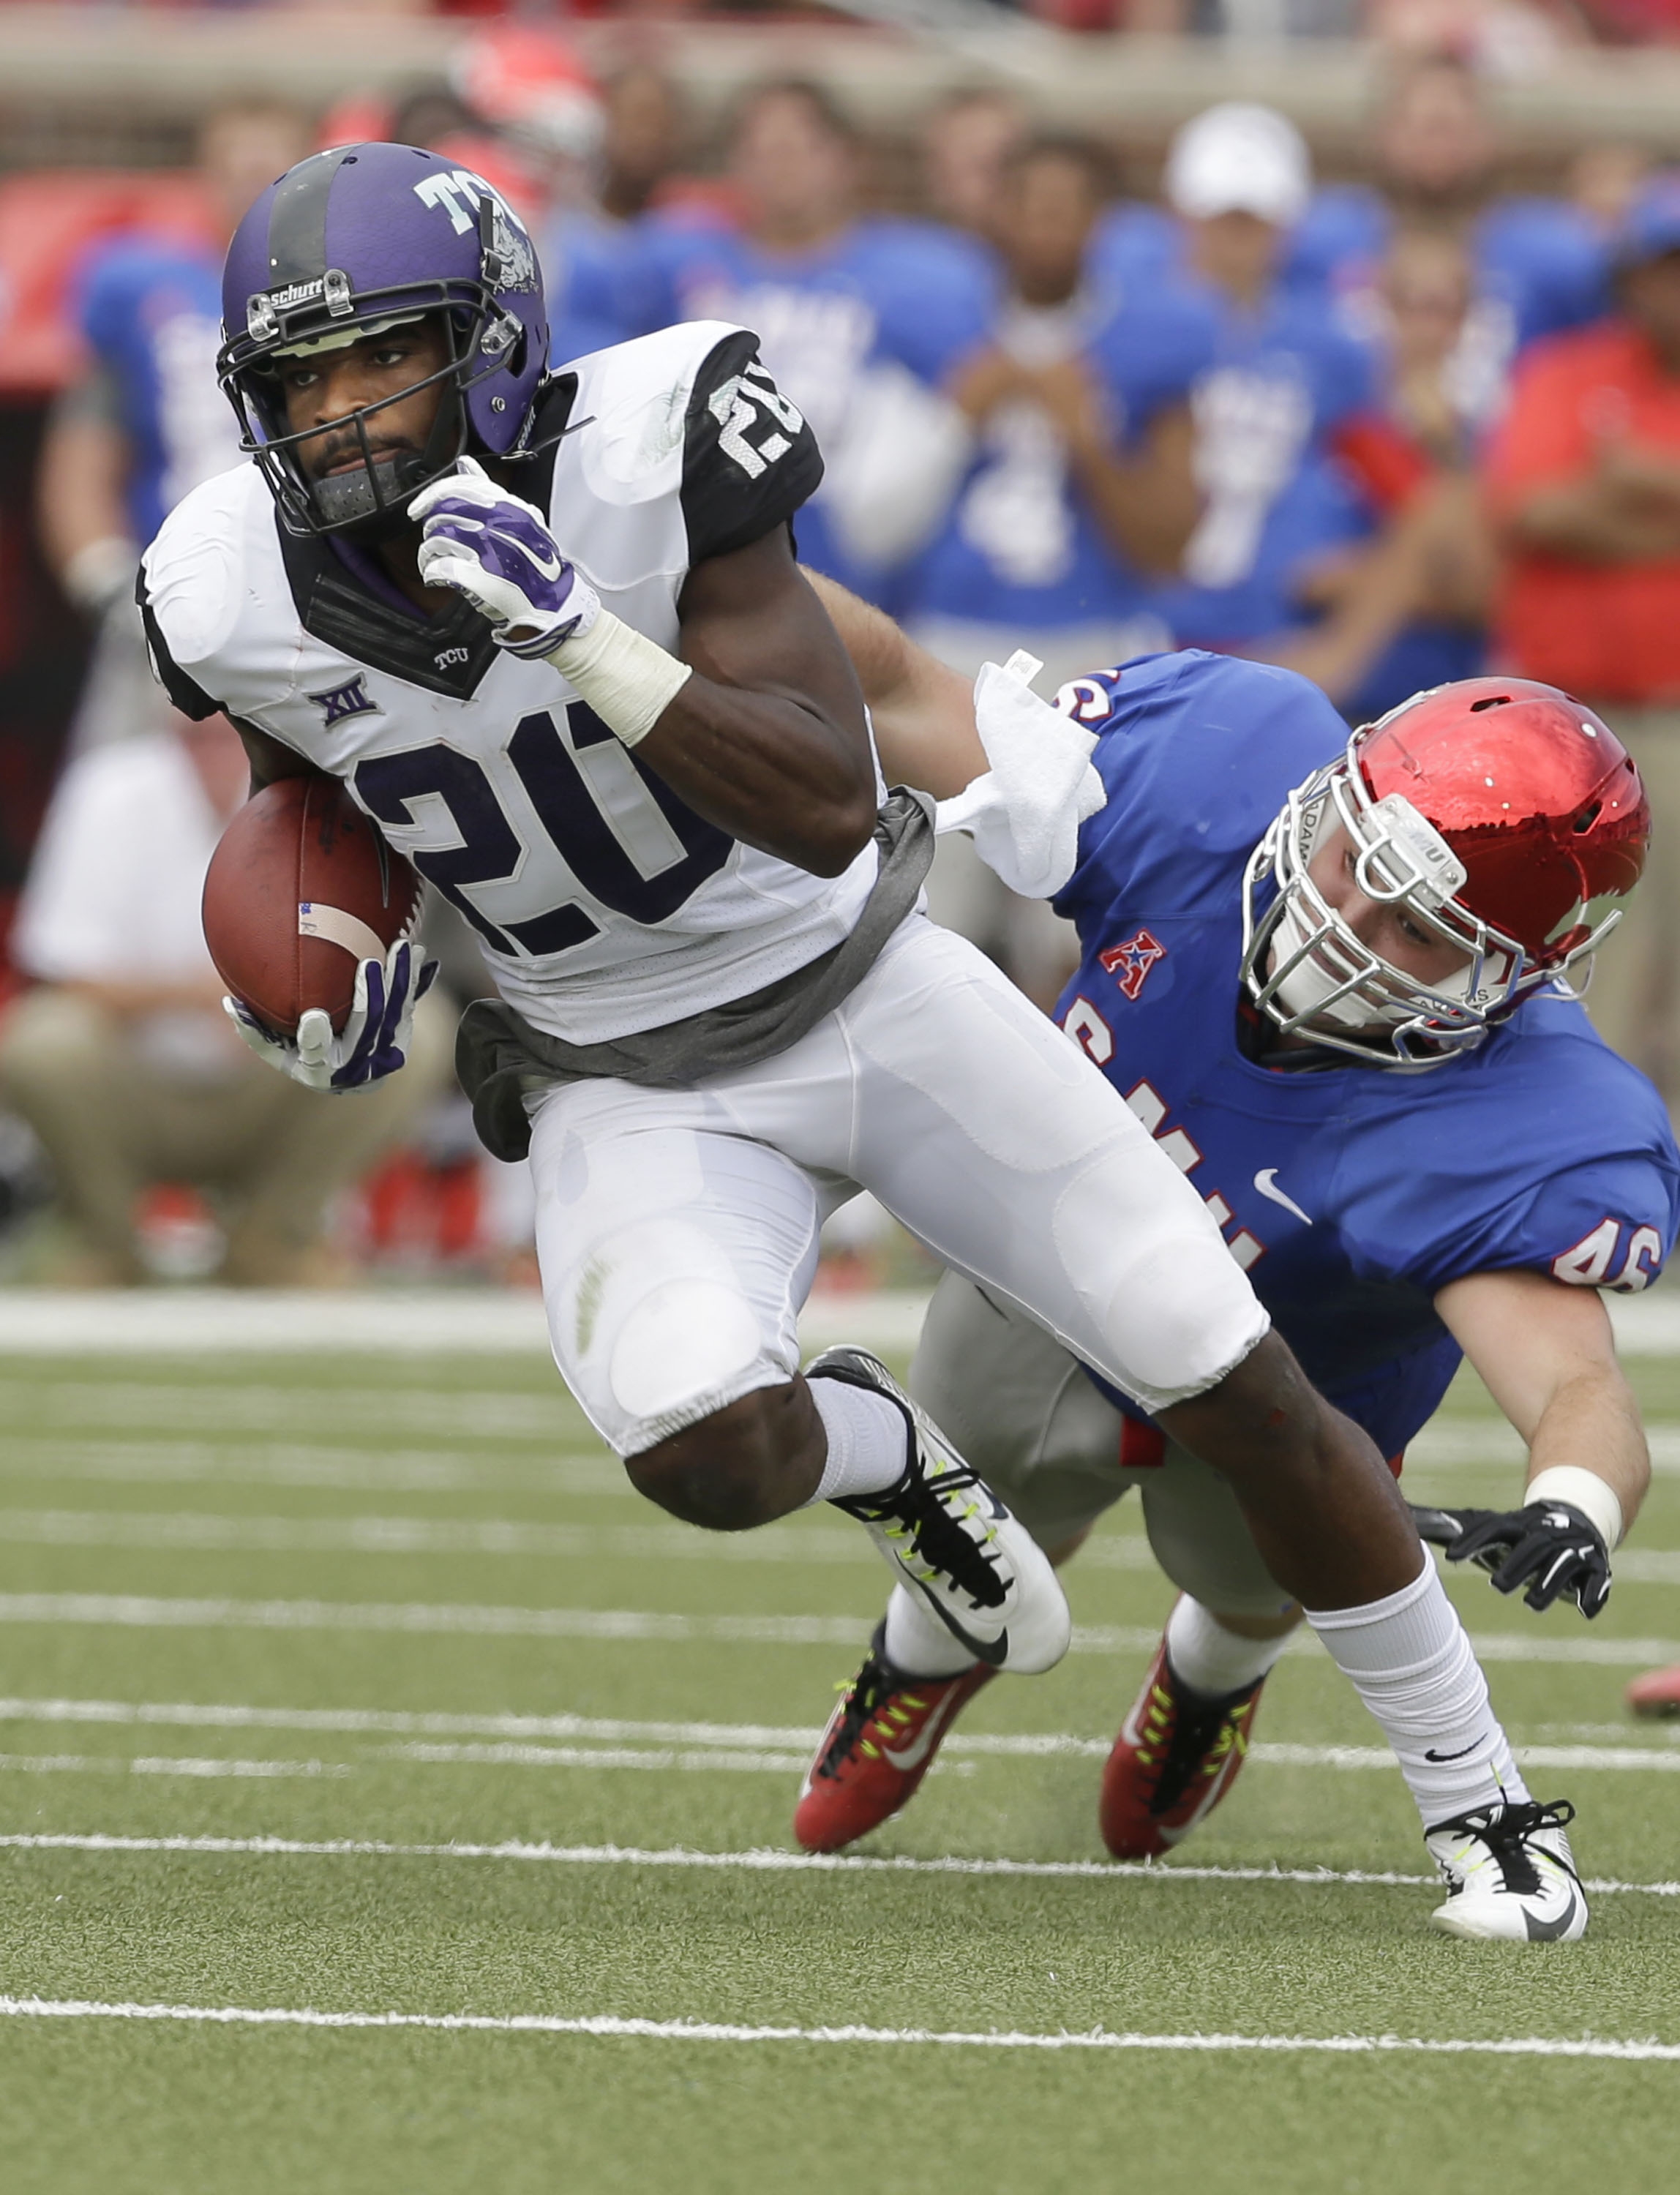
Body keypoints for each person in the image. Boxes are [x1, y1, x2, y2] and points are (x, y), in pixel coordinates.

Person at [141, 141, 1588, 1940]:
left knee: (1231, 1372)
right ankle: (907, 1478)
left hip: (867, 979)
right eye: (301, 379)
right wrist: (339, 970)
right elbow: (321, 796)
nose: (343, 411)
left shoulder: (662, 435)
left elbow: (827, 799)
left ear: (495, 338)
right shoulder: (218, 587)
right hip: (622, 1071)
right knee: (702, 1446)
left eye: (382, 357)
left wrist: (578, 627)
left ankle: (1488, 1804)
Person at [794, 577, 1676, 1943]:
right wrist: (691, 543)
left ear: (1522, 975)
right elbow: (905, 685)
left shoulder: (1526, 1119)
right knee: (976, 1474)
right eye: (1353, 874)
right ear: (1326, 800)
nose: (1347, 935)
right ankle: (923, 1653)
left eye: (1423, 937)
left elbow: (1572, 1384)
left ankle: (1211, 1675)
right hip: (1055, 1285)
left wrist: (1572, 1504)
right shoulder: (1216, 764)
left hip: (1290, 1404)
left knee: (1255, 1571)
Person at [902, 132, 1209, 1002]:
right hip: (952, 645)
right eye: (1029, 204)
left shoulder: (1153, 336)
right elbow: (873, 523)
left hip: (1092, 645)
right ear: (994, 212)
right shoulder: (937, 320)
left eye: (1066, 209)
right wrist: (953, 415)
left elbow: (1171, 543)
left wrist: (1091, 438)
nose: (1045, 228)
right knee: (928, 922)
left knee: (1074, 930)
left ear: (1101, 224)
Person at [0, 710, 452, 1285]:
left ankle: (277, 1236)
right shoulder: (110, 789)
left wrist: (280, 1008)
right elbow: (66, 971)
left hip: (278, 1076)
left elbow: (372, 964)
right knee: (43, 1041)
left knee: (413, 1026)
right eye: (198, 734)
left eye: (234, 732)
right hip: (132, 1081)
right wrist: (214, 997)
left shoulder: (330, 799)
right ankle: (104, 1242)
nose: (215, 750)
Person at [618, 79, 986, 601]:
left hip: (861, 559)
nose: (780, 166)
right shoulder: (674, 259)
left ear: (848, 160)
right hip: (705, 553)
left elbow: (961, 412)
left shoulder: (921, 272)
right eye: (761, 149)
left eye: (798, 147)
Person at [1483, 170, 1680, 1113]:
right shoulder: (1565, 368)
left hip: (1673, 713)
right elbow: (1536, 512)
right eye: (1662, 268)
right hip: (1570, 730)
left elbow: (1580, 507)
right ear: (1630, 277)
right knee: (1575, 962)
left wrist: (1638, 477)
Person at [37, 100, 308, 754]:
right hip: (165, 602)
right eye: (236, 169)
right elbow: (81, 459)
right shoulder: (139, 285)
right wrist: (111, 589)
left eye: (271, 172)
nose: (251, 189)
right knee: (125, 821)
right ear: (203, 177)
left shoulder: (341, 293)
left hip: (311, 607)